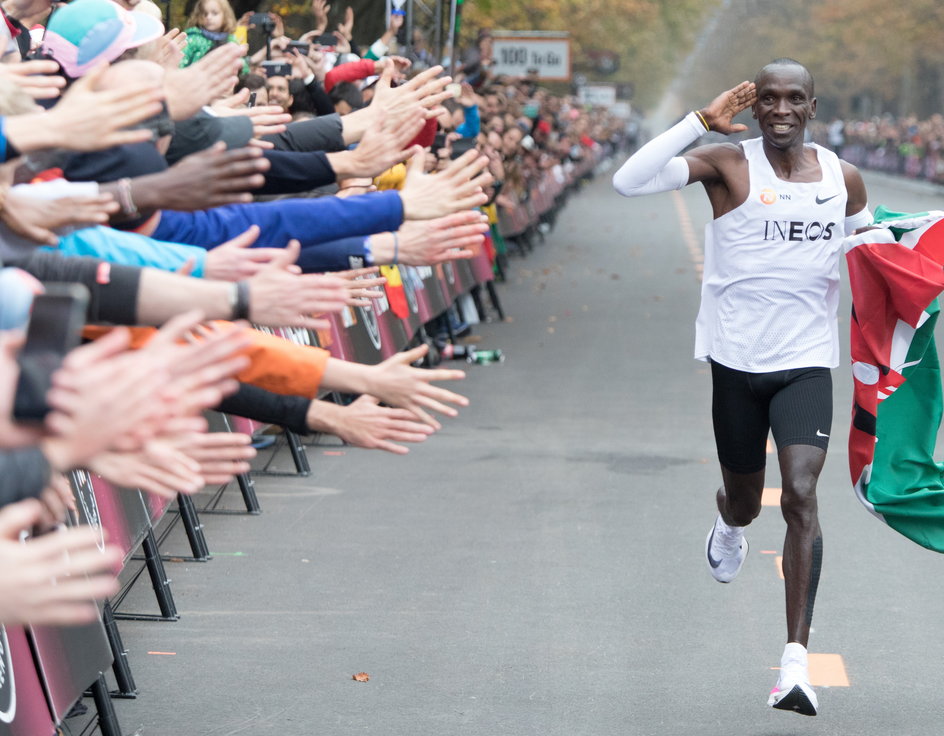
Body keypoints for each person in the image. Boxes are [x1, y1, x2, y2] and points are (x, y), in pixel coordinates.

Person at [612, 58, 872, 716]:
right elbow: (627, 180)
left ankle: (794, 665)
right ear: (755, 108)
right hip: (736, 363)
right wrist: (701, 120)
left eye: (795, 99)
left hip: (808, 363)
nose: (781, 109)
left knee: (804, 495)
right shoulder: (728, 163)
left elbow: (871, 254)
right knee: (748, 502)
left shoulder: (843, 179)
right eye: (770, 99)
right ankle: (727, 523)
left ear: (813, 107)